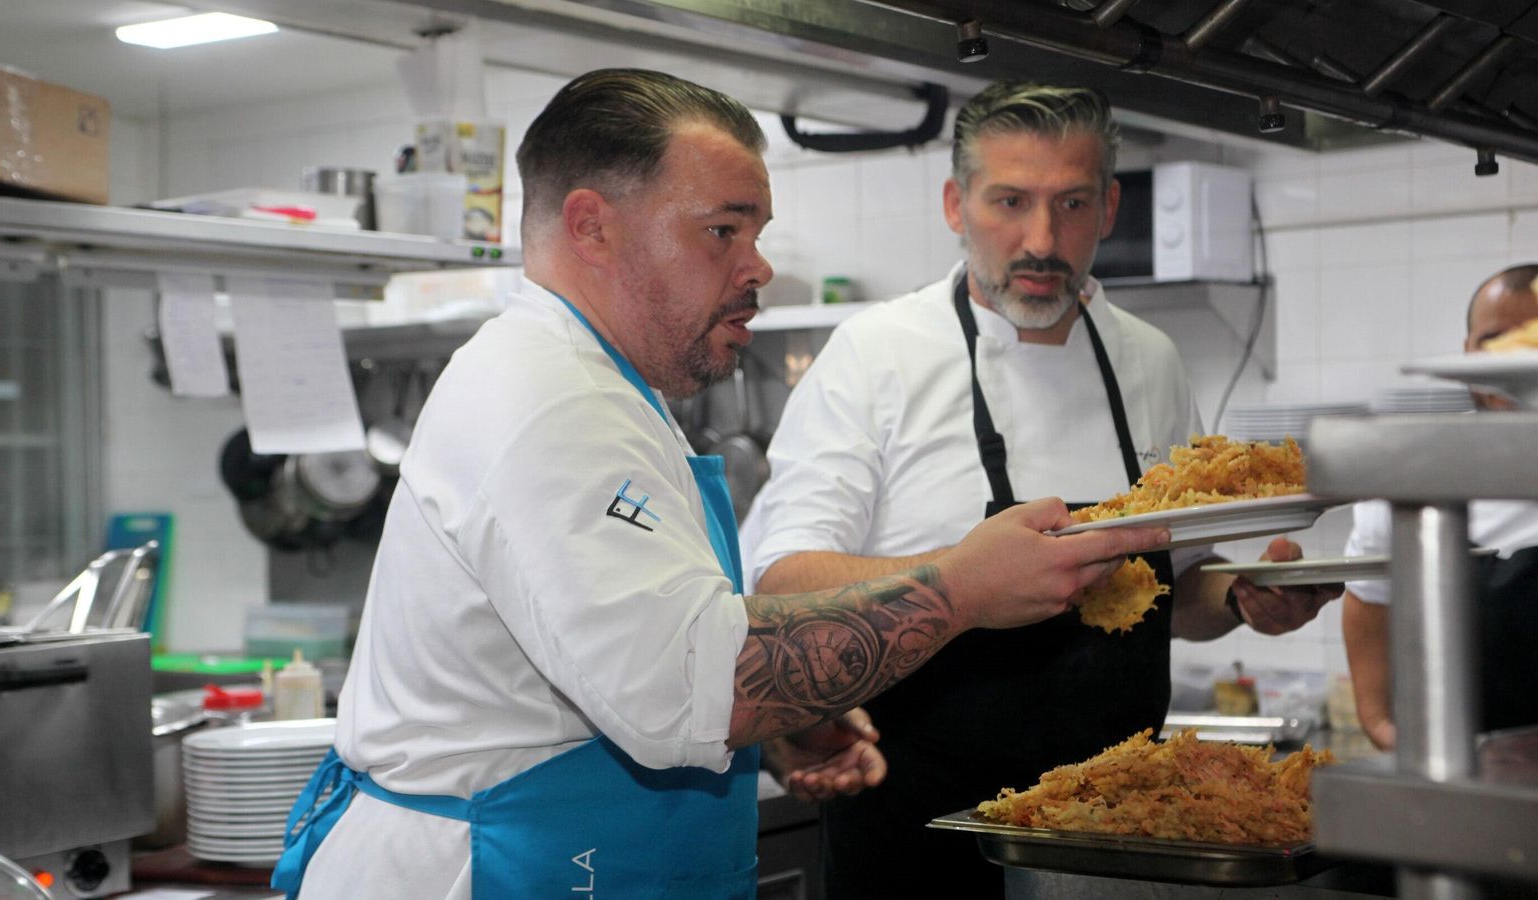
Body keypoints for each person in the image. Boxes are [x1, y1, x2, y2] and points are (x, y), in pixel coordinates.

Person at [267, 69, 1169, 900]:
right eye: (723, 231)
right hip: (491, 869)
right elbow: (697, 687)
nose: (758, 266)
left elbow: (647, 651)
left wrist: (782, 720)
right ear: (591, 226)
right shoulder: (549, 401)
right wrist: (963, 586)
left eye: (756, 233)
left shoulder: (604, 388)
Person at [740, 80, 1344, 898]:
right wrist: (964, 578)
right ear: (955, 205)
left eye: (1072, 204)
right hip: (917, 834)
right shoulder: (876, 354)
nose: (1041, 239)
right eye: (1010, 202)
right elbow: (782, 585)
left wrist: (1242, 597)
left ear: (1109, 208)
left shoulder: (1150, 360)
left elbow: (1176, 589)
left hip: (1116, 839)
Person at [1342, 264, 1538, 751]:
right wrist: (1385, 727)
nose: (1513, 359)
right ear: (1467, 352)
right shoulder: (1414, 477)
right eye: (1494, 341)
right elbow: (1369, 600)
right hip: (1469, 780)